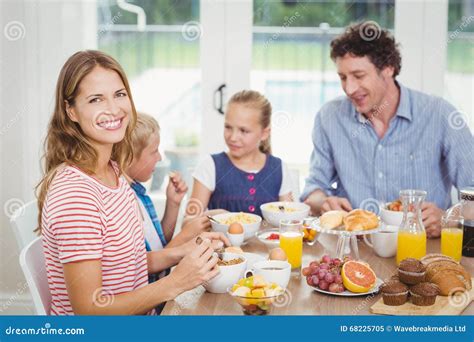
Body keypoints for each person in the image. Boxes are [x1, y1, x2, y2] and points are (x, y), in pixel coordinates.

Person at [37, 50, 228, 315]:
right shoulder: (76, 196)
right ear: (71, 111)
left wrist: (184, 252)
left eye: (119, 94)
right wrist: (176, 282)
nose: (114, 109)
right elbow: (90, 310)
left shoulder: (113, 173)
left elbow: (130, 263)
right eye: (95, 99)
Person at [301, 23, 473, 238]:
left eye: (359, 75)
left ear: (388, 69)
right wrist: (324, 202)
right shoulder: (330, 117)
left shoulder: (439, 114)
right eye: (343, 77)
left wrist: (449, 218)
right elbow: (314, 189)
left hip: (425, 250)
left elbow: (472, 190)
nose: (349, 88)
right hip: (356, 249)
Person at [190, 90, 293, 217]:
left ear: (264, 133)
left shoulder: (279, 168)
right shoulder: (210, 166)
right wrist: (215, 215)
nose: (233, 137)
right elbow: (188, 223)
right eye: (228, 127)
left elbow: (290, 220)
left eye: (243, 131)